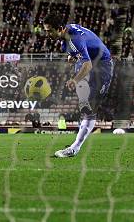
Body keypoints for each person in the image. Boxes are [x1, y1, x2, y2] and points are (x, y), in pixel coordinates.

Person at [43, 13, 114, 158]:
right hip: (94, 63)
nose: (47, 34)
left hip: (102, 67)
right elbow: (86, 45)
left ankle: (74, 149)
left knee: (90, 107)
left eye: (50, 30)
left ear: (61, 28)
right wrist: (74, 56)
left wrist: (74, 80)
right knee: (86, 105)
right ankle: (76, 144)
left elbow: (87, 64)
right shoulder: (69, 34)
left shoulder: (74, 40)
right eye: (45, 31)